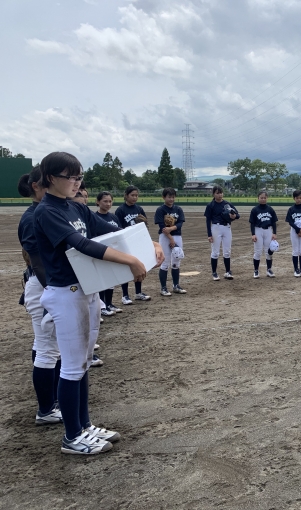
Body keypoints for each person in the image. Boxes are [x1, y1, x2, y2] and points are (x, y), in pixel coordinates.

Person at [33, 151, 163, 454]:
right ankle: (72, 436)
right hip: (65, 292)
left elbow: (112, 230)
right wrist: (130, 259)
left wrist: (149, 242)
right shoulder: (47, 211)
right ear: (51, 178)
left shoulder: (75, 207)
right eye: (71, 177)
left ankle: (84, 425)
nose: (77, 182)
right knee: (72, 366)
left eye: (80, 177)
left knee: (83, 362)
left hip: (85, 290)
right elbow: (81, 244)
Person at [17, 167, 61, 425]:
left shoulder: (46, 211)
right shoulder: (32, 216)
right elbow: (38, 263)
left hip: (50, 284)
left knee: (50, 348)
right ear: (36, 186)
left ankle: (53, 400)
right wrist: (56, 290)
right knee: (47, 349)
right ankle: (46, 409)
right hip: (44, 285)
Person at [115, 185, 152, 304]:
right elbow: (118, 227)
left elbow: (145, 225)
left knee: (138, 266)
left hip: (137, 241)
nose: (135, 197)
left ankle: (138, 293)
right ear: (126, 195)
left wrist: (144, 226)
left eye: (136, 195)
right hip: (125, 242)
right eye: (132, 195)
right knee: (126, 268)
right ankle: (125, 295)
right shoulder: (120, 210)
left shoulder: (139, 209)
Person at [95, 191, 123, 316]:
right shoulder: (95, 217)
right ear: (98, 202)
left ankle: (109, 303)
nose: (108, 204)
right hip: (101, 251)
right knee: (102, 280)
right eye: (105, 201)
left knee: (112, 279)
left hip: (113, 251)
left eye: (110, 201)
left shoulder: (113, 217)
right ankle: (101, 306)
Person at [154, 187, 187, 296]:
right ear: (164, 197)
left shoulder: (178, 209)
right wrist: (171, 238)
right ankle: (163, 288)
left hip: (177, 236)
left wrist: (171, 228)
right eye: (169, 197)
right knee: (165, 262)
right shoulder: (160, 210)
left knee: (177, 261)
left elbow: (180, 223)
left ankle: (176, 285)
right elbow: (162, 227)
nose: (171, 199)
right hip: (165, 237)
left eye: (173, 197)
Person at [204, 185, 240, 281]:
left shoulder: (227, 204)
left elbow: (237, 215)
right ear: (213, 194)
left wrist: (234, 216)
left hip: (227, 227)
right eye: (217, 193)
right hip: (216, 227)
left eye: (221, 193)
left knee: (227, 251)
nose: (220, 195)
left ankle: (228, 272)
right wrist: (209, 234)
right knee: (215, 252)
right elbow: (208, 221)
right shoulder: (211, 205)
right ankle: (214, 273)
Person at [249, 190, 278, 278]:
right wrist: (253, 234)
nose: (263, 199)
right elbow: (252, 223)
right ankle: (256, 271)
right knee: (258, 251)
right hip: (258, 230)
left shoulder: (270, 209)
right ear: (258, 198)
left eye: (264, 198)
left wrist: (274, 233)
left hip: (268, 230)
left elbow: (274, 222)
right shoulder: (255, 210)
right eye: (261, 198)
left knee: (268, 251)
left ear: (267, 198)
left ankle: (269, 270)